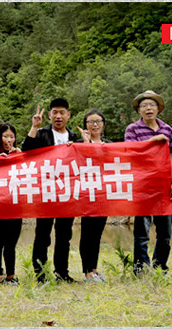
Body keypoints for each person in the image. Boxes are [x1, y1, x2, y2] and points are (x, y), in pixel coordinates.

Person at [22, 98, 78, 282]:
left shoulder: (73, 137)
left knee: (64, 234)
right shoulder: (42, 133)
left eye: (62, 112)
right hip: (46, 190)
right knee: (42, 234)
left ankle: (62, 272)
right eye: (55, 112)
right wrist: (34, 127)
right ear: (49, 115)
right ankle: (40, 273)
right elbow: (26, 151)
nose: (59, 116)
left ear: (68, 115)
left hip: (67, 192)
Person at [123, 91, 172, 275]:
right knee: (142, 231)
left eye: (152, 105)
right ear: (139, 110)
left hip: (163, 186)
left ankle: (160, 266)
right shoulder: (132, 129)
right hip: (142, 186)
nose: (148, 108)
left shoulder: (167, 129)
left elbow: (171, 155)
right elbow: (131, 152)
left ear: (158, 109)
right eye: (144, 106)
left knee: (165, 232)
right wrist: (154, 140)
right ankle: (141, 268)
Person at [76, 110, 110, 283]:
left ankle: (94, 269)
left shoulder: (110, 144)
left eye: (98, 121)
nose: (94, 125)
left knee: (97, 233)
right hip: (87, 193)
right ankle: (87, 272)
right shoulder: (78, 143)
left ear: (103, 123)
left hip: (104, 194)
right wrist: (86, 143)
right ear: (85, 125)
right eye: (90, 122)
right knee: (87, 232)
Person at [0, 122, 22, 284]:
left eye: (11, 136)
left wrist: (20, 157)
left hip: (15, 205)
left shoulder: (19, 155)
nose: (9, 140)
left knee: (11, 243)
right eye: (5, 136)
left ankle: (11, 274)